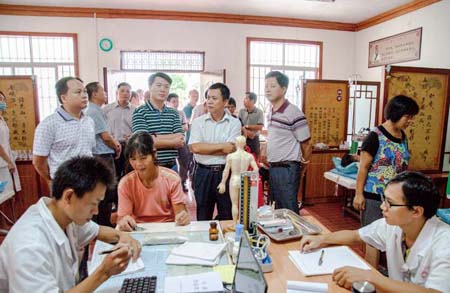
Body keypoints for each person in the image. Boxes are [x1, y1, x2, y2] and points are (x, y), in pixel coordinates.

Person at [0, 156, 141, 292]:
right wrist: (103, 273)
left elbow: (98, 231)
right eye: (93, 203)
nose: (96, 211)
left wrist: (122, 236)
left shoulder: (63, 215)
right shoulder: (31, 247)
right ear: (69, 196)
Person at [299, 171, 450, 293]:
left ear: (416, 211)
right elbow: (355, 235)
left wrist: (373, 278)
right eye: (384, 200)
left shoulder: (445, 243)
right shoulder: (393, 226)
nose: (382, 207)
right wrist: (323, 239)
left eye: (390, 203)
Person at [354, 95, 419, 227]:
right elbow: (363, 168)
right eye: (407, 116)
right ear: (396, 113)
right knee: (372, 237)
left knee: (392, 236)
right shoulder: (374, 136)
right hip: (374, 196)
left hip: (396, 198)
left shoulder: (403, 137)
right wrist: (359, 194)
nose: (410, 121)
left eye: (412, 117)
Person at [116, 132, 190, 231]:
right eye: (133, 159)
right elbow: (123, 217)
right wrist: (123, 221)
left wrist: (183, 217)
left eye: (143, 158)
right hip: (138, 230)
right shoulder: (125, 184)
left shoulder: (172, 179)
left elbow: (180, 213)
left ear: (154, 154)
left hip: (168, 229)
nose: (138, 164)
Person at [189, 82, 241, 221]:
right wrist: (221, 147)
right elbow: (195, 148)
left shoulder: (234, 123)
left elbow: (231, 149)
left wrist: (206, 148)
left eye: (214, 98)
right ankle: (204, 243)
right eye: (208, 97)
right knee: (203, 215)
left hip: (226, 173)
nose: (209, 101)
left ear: (225, 101)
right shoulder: (198, 122)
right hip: (202, 173)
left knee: (227, 215)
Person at [263, 71, 312, 214]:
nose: (267, 89)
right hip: (274, 168)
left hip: (287, 168)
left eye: (272, 86)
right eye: (266, 86)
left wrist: (302, 168)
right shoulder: (271, 111)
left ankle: (297, 236)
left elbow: (307, 144)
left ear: (283, 89)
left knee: (289, 209)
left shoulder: (293, 112)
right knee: (277, 209)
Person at [33, 77, 95, 185]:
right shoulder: (49, 124)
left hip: (89, 181)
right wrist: (52, 181)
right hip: (64, 183)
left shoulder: (89, 121)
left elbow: (89, 151)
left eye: (85, 91)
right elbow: (38, 162)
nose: (84, 95)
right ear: (64, 98)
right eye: (78, 92)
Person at [85, 81, 122, 226]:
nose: (105, 93)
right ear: (94, 94)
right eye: (102, 91)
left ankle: (104, 221)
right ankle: (102, 224)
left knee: (108, 191)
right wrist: (116, 146)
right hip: (102, 156)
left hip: (104, 154)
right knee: (106, 191)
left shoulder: (98, 110)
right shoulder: (93, 111)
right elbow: (105, 136)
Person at [131, 72, 184, 171]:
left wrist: (154, 137)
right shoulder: (140, 111)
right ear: (150, 87)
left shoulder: (173, 113)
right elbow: (143, 142)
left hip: (172, 166)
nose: (163, 89)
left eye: (166, 87)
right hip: (149, 167)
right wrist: (172, 141)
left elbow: (180, 138)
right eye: (159, 85)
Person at [218, 136, 258, 223]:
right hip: (245, 179)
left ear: (236, 144)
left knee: (234, 204)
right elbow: (256, 169)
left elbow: (226, 171)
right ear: (245, 144)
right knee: (245, 204)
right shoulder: (249, 156)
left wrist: (222, 183)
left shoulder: (231, 156)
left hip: (234, 179)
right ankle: (243, 223)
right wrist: (253, 179)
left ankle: (235, 223)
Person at [102, 82, 136, 179]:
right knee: (113, 175)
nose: (125, 93)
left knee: (129, 173)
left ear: (130, 94)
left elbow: (138, 128)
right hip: (112, 145)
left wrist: (133, 135)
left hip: (129, 145)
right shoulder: (107, 109)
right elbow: (102, 128)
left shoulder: (135, 110)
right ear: (117, 92)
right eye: (122, 91)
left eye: (128, 91)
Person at [166, 93, 190, 192]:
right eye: (174, 101)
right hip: (169, 143)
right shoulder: (165, 113)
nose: (176, 103)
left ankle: (183, 182)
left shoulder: (181, 113)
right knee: (171, 164)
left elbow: (185, 127)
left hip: (181, 142)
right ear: (168, 102)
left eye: (177, 101)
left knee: (184, 162)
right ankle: (171, 185)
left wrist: (174, 130)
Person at [0, 91, 21, 199]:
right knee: (3, 195)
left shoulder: (2, 119)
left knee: (8, 194)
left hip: (5, 160)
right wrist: (8, 162)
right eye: (0, 99)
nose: (2, 102)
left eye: (3, 99)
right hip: (2, 163)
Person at [238, 91, 264, 157]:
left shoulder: (259, 112)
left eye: (246, 98)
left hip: (254, 140)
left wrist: (247, 126)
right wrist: (248, 133)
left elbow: (260, 127)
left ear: (252, 101)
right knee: (243, 159)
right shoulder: (241, 111)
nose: (244, 100)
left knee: (254, 160)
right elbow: (238, 125)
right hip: (243, 138)